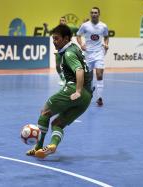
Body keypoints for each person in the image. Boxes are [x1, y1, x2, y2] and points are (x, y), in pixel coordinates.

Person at [26, 24, 93, 158]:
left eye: (56, 39)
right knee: (57, 124)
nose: (54, 42)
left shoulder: (68, 53)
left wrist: (78, 91)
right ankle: (52, 145)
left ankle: (38, 146)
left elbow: (79, 70)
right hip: (87, 98)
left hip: (74, 89)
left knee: (45, 112)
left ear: (66, 38)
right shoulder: (75, 48)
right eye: (53, 39)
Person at [76, 7, 109, 106]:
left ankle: (99, 98)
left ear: (99, 14)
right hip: (88, 54)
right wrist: (81, 44)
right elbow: (78, 35)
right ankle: (88, 93)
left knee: (99, 75)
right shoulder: (85, 26)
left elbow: (106, 37)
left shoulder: (103, 26)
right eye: (92, 13)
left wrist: (106, 44)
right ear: (90, 14)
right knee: (87, 78)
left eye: (95, 12)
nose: (94, 14)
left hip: (99, 53)